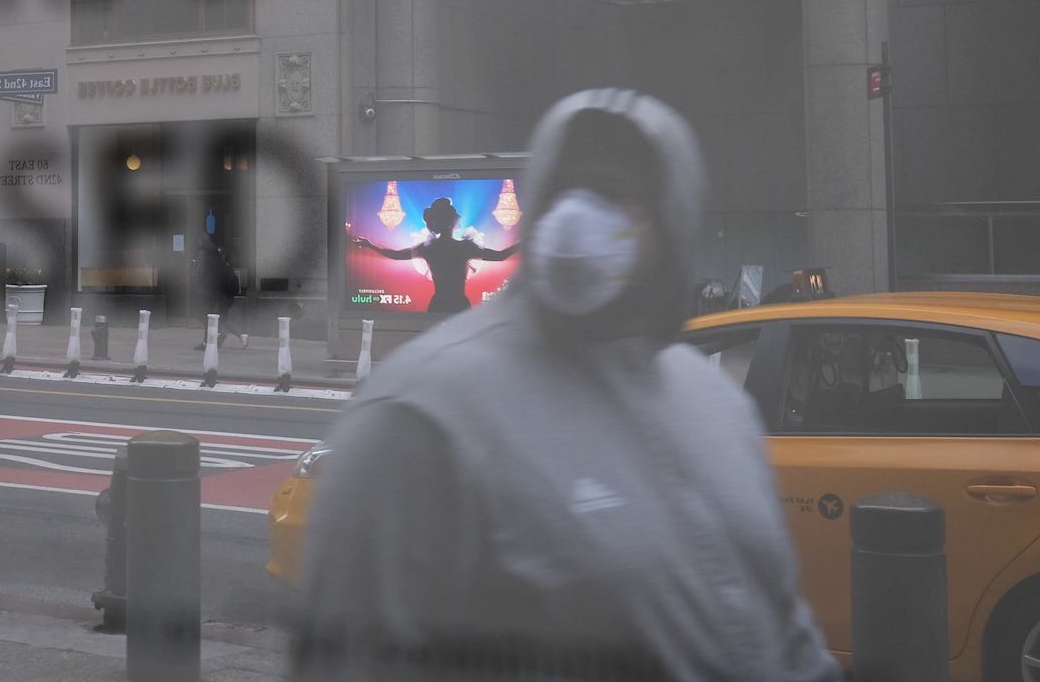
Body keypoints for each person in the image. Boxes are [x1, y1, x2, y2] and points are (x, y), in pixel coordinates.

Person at [291, 89, 840, 682]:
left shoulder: (715, 404)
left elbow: (784, 635)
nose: (583, 217)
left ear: (673, 220)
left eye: (619, 195)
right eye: (567, 189)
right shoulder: (419, 416)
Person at [350, 196, 521, 314]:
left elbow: (395, 255)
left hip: (437, 306)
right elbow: (500, 256)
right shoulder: (463, 248)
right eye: (456, 217)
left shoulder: (429, 248)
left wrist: (370, 245)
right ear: (454, 221)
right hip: (459, 306)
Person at [193, 236, 250, 350]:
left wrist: (197, 282)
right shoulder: (220, 260)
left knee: (209, 316)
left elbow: (201, 273)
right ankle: (236, 335)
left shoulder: (205, 255)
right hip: (224, 295)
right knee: (219, 318)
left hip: (219, 295)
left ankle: (215, 338)